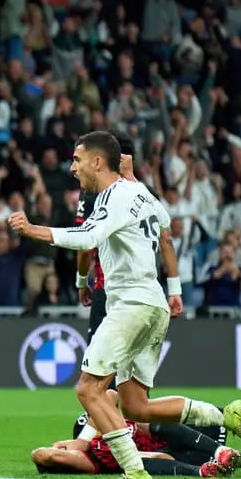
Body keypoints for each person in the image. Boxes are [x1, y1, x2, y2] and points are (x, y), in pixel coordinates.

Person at [9, 131, 241, 479]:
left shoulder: (115, 197)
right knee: (136, 406)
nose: (72, 167)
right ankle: (226, 416)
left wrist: (33, 229)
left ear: (98, 161)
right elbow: (164, 222)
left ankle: (136, 474)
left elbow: (86, 240)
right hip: (152, 303)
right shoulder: (138, 193)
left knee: (88, 389)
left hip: (131, 305)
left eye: (77, 160)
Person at [76, 133, 184, 343]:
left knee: (97, 371)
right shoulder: (147, 193)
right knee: (134, 368)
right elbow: (166, 242)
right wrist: (174, 290)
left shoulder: (94, 193)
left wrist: (81, 282)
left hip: (110, 289)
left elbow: (85, 242)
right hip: (146, 292)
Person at [31, 391, 241, 478]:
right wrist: (71, 446)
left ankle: (220, 451)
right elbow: (40, 455)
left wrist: (80, 440)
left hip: (186, 434)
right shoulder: (96, 455)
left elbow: (110, 394)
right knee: (138, 462)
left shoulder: (118, 421)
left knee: (148, 422)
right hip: (176, 456)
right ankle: (203, 470)